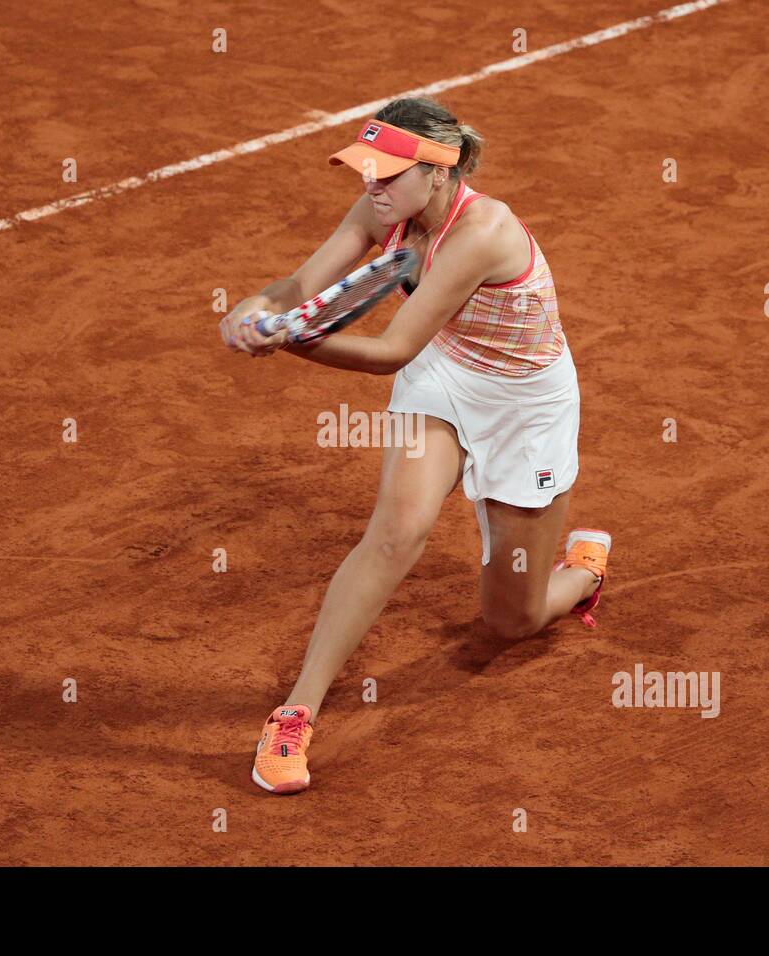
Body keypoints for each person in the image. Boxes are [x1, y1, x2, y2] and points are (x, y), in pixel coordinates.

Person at [220, 96, 612, 795]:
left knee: (511, 621)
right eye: (366, 170)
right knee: (395, 534)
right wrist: (256, 308)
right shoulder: (380, 207)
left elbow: (391, 350)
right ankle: (296, 713)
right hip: (445, 373)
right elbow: (300, 286)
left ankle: (583, 572)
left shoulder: (484, 232)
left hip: (526, 408)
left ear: (440, 171)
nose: (373, 184)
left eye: (389, 173)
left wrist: (289, 345)